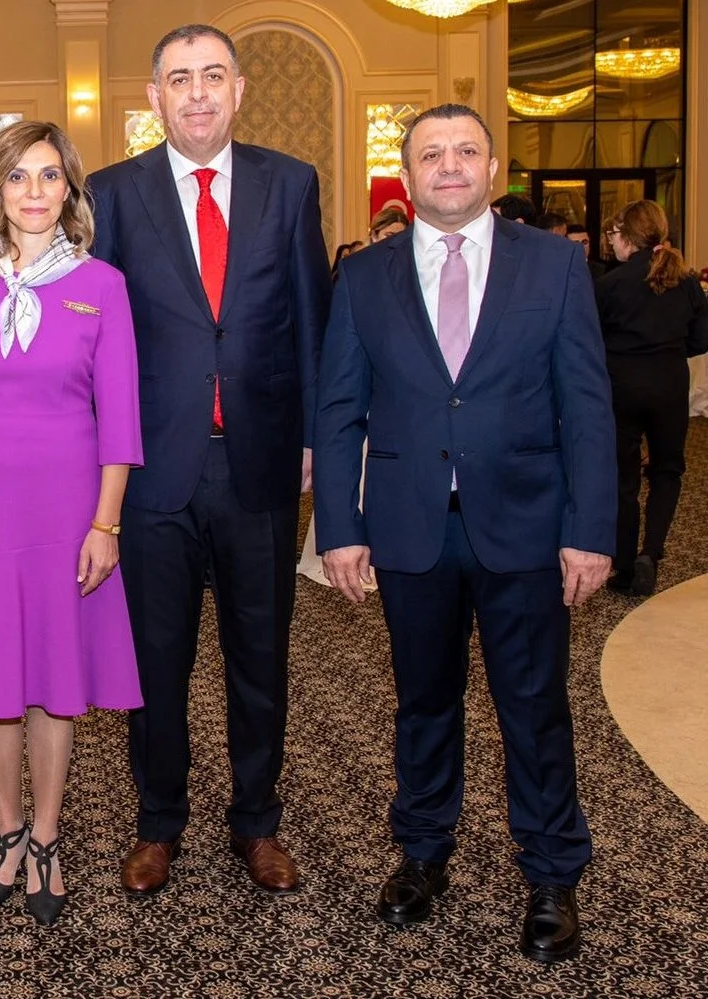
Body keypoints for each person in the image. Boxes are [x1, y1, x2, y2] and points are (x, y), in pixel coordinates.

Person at [314, 103, 615, 965]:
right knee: (422, 700)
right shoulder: (363, 276)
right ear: (408, 176)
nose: (448, 166)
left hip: (526, 524)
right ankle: (421, 851)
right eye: (430, 154)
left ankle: (551, 872)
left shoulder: (553, 264)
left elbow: (586, 405)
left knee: (534, 705)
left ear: (492, 168)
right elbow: (337, 410)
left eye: (465, 151)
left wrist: (590, 529)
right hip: (409, 528)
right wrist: (339, 527)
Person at [88, 23, 330, 898]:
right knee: (156, 661)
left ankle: (256, 821)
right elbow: (96, 337)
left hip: (260, 463)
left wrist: (315, 437)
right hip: (150, 469)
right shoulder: (112, 192)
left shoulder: (289, 183)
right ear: (154, 96)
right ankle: (158, 823)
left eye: (213, 76)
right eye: (180, 78)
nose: (197, 93)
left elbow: (311, 319)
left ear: (238, 90)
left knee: (259, 658)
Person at [0, 120, 143, 926]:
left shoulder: (102, 285)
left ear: (69, 190)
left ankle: (46, 833)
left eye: (49, 175)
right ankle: (6, 829)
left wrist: (105, 524)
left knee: (51, 677)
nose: (34, 191)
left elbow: (119, 416)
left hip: (67, 511)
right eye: (17, 176)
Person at [597, 201, 708, 595]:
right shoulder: (687, 282)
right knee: (667, 472)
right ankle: (651, 553)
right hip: (669, 385)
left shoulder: (610, 283)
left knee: (622, 477)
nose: (612, 242)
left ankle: (626, 564)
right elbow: (701, 339)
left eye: (614, 234)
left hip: (620, 387)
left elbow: (590, 340)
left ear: (629, 235)